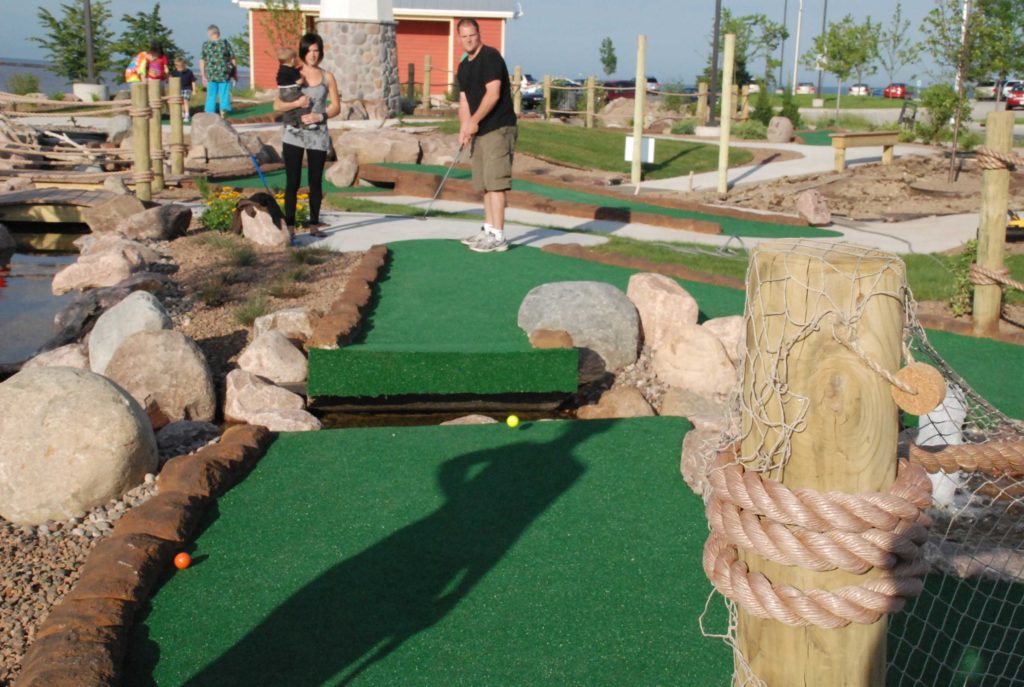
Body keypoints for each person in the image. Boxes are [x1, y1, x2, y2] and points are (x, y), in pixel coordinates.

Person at [455, 18, 518, 254]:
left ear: (478, 34)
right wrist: (464, 128)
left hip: (498, 127)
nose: (468, 39)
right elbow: (464, 101)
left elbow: (493, 94)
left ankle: (499, 236)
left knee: (496, 184)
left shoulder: (490, 57)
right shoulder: (464, 65)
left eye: (472, 35)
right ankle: (489, 230)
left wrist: (474, 121)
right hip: (480, 130)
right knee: (484, 184)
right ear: (459, 37)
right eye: (464, 36)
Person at [273, 33, 341, 238]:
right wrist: (296, 104)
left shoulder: (327, 76)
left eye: (316, 50)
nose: (313, 55)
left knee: (315, 181)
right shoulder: (291, 73)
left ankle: (313, 225)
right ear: (302, 52)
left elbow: (336, 107)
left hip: (318, 134)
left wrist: (319, 115)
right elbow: (277, 104)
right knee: (292, 180)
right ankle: (291, 227)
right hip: (293, 133)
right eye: (309, 50)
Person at [200, 24, 236, 117]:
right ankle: (224, 113)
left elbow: (202, 60)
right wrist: (235, 73)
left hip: (211, 75)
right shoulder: (225, 43)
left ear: (210, 33)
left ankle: (209, 114)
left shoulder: (206, 45)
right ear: (218, 33)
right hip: (224, 73)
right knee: (224, 95)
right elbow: (232, 59)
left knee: (211, 95)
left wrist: (203, 75)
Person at [275, 47, 312, 133]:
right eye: (295, 58)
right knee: (305, 102)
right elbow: (299, 82)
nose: (296, 60)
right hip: (291, 91)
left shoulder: (281, 68)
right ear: (292, 60)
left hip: (282, 92)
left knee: (289, 108)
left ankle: (289, 124)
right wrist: (302, 76)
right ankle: (306, 123)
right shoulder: (292, 70)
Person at [170, 56, 196, 122]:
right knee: (180, 102)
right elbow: (171, 80)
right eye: (177, 66)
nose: (179, 68)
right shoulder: (174, 72)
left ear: (184, 65)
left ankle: (187, 114)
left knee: (185, 101)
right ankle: (182, 113)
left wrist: (194, 90)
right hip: (178, 89)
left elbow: (193, 81)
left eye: (181, 66)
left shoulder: (189, 72)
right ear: (176, 66)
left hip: (187, 88)